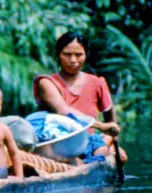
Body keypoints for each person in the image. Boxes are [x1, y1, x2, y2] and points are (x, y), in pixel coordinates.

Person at [33, 31, 128, 163]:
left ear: (86, 55)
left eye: (78, 55)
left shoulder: (97, 82)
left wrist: (109, 141)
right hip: (58, 141)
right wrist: (100, 125)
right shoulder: (46, 83)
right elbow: (63, 111)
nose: (73, 60)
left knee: (110, 153)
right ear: (58, 55)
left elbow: (111, 122)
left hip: (90, 141)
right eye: (67, 54)